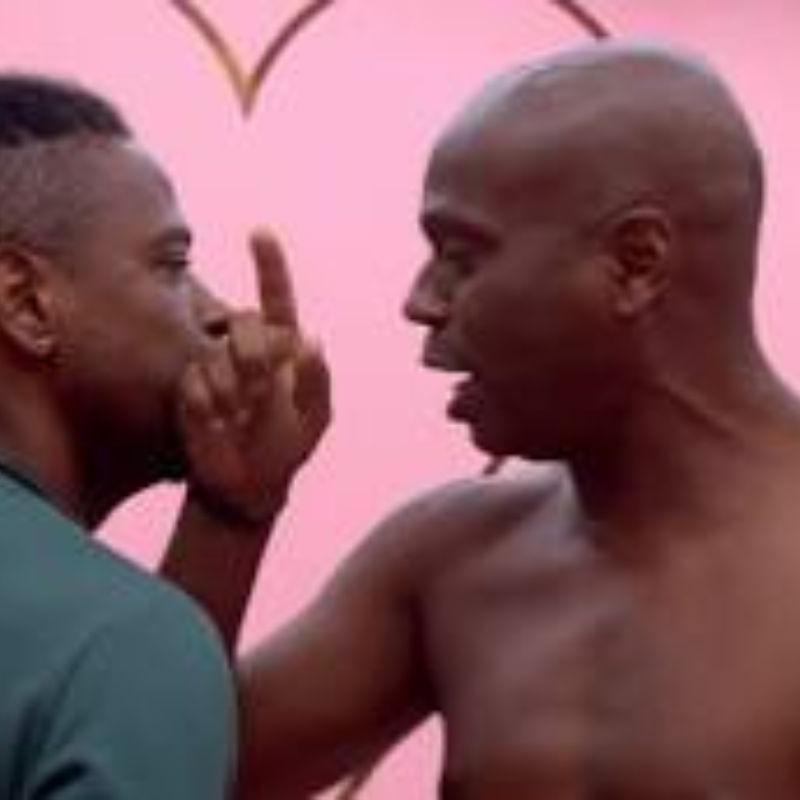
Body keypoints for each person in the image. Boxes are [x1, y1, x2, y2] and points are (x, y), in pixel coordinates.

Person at [232, 40, 800, 798]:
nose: (420, 302)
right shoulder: (450, 556)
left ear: (635, 263)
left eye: (462, 256)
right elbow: (146, 778)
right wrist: (230, 510)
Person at [0, 74, 329, 798]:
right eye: (173, 266)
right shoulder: (116, 644)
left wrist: (232, 514)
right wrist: (161, 645)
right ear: (27, 304)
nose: (220, 314)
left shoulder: (114, 643)